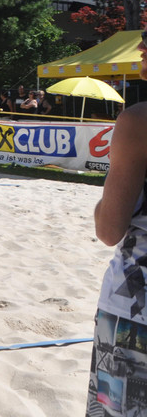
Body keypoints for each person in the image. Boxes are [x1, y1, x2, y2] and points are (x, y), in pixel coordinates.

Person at [87, 32, 147, 414]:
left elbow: (108, 230)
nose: (141, 47)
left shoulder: (138, 122)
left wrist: (103, 202)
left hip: (136, 310)